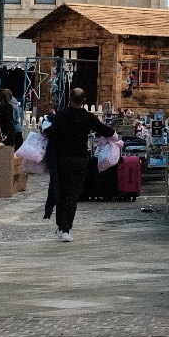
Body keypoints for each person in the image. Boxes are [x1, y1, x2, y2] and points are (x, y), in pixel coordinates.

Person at [44, 99, 113, 242]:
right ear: (84, 101)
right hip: (79, 159)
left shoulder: (62, 115)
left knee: (62, 193)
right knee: (73, 195)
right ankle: (65, 228)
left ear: (70, 100)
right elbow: (105, 130)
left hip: (62, 159)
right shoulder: (87, 117)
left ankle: (60, 225)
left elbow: (50, 132)